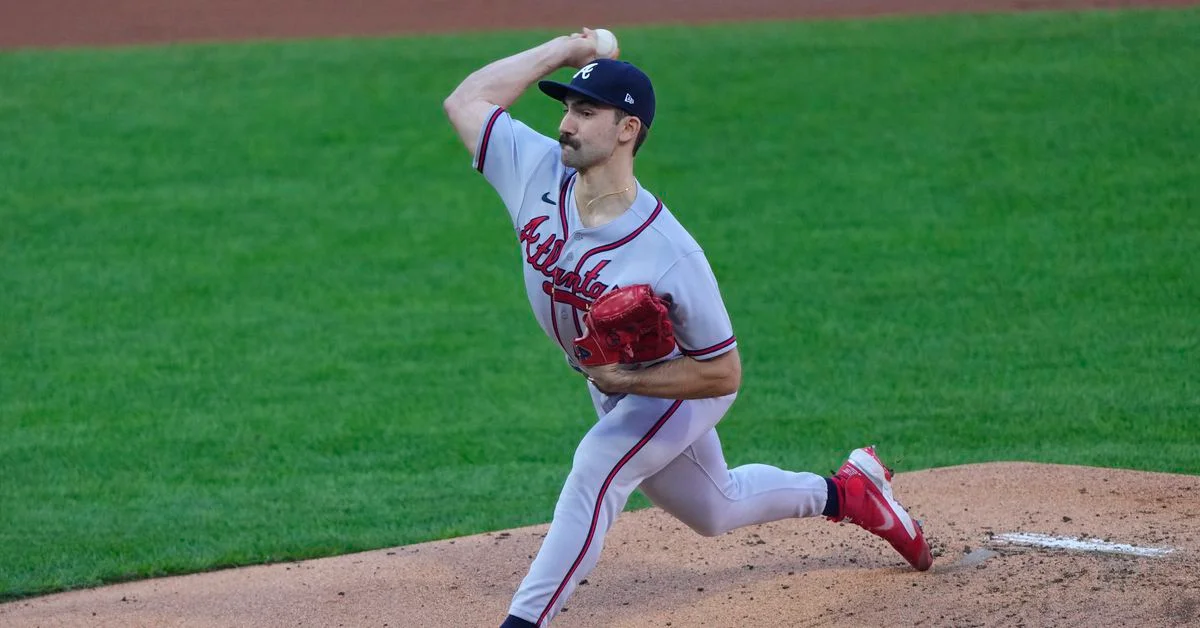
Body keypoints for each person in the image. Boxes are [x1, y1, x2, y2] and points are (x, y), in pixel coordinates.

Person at [442, 27, 933, 628]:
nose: (566, 124)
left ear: (628, 130)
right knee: (713, 507)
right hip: (615, 380)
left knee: (597, 466)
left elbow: (724, 372)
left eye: (586, 111)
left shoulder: (669, 252)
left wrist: (624, 379)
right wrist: (567, 50)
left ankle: (523, 622)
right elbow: (466, 102)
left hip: (674, 385)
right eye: (567, 107)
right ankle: (851, 493)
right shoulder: (535, 170)